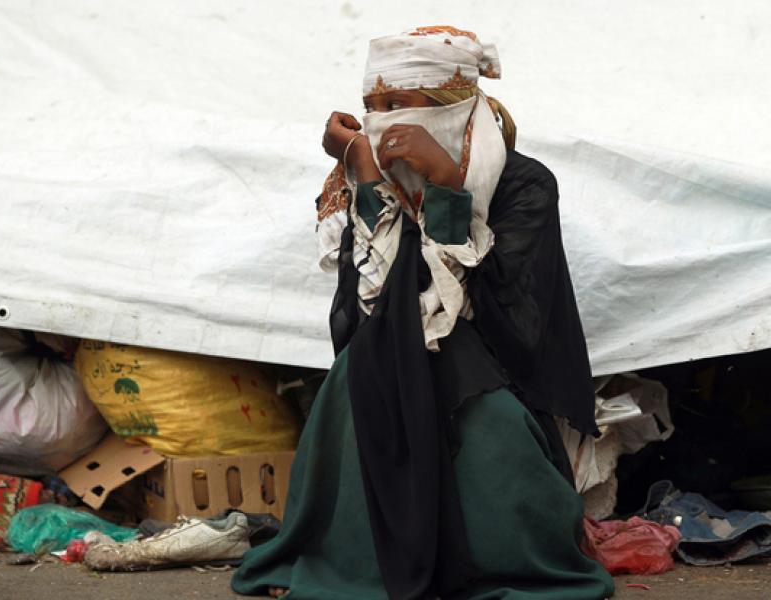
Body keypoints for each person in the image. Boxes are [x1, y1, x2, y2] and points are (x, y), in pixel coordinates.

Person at [232, 26, 615, 600]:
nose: (381, 122)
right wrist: (365, 177)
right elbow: (372, 303)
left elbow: (499, 313)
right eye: (371, 107)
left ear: (452, 106)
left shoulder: (523, 183)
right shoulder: (362, 179)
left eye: (398, 105)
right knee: (364, 373)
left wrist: (446, 187)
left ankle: (498, 555)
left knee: (485, 419)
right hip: (383, 359)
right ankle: (359, 556)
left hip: (494, 371)